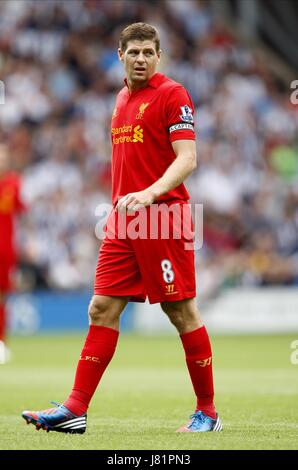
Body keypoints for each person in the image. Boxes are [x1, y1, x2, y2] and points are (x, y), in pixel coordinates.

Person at [22, 23, 222, 434]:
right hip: (123, 221)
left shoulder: (172, 94)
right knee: (101, 308)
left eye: (149, 52)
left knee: (180, 311)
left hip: (163, 218)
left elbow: (187, 159)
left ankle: (208, 413)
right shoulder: (120, 99)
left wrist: (150, 193)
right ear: (120, 56)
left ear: (159, 56)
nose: (141, 59)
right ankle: (74, 409)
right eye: (134, 52)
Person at [0, 144, 25, 364]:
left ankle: (1, 342)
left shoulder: (13, 183)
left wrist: (29, 241)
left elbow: (22, 214)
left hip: (5, 251)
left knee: (2, 297)